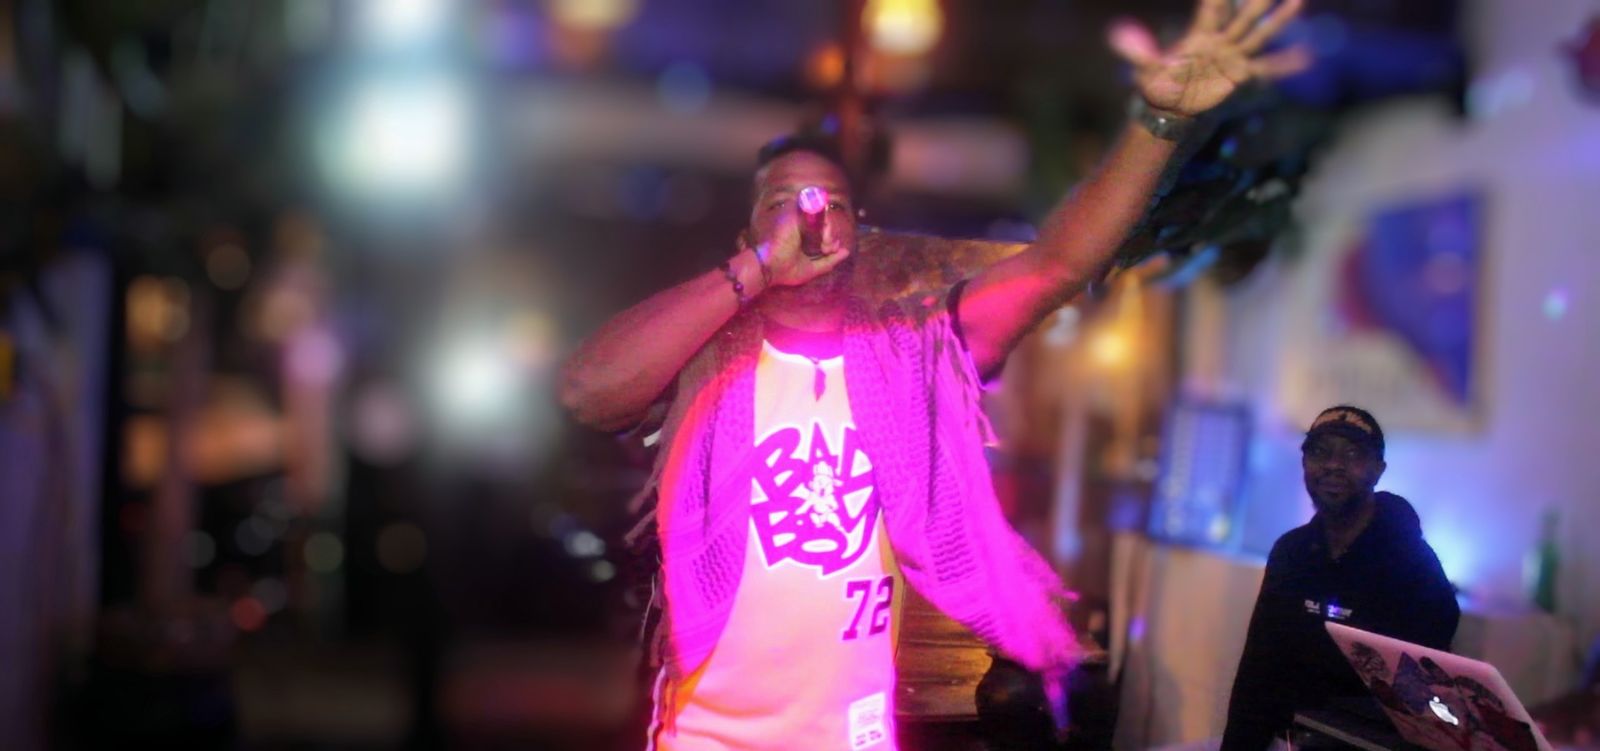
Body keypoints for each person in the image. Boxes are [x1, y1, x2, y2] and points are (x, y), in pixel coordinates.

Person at [560, 2, 1310, 747]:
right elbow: (588, 393)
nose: (810, 213)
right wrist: (757, 269)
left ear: (858, 232)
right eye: (781, 202)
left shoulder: (912, 351)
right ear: (749, 233)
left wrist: (1159, 121)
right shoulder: (702, 354)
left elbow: (1057, 266)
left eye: (832, 201)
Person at [1221, 406, 1461, 751]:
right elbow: (1258, 672)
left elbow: (1425, 692)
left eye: (1352, 454)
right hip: (1293, 739)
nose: (1333, 465)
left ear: (1378, 470)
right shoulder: (1291, 552)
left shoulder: (1411, 562)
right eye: (1321, 452)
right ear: (1305, 463)